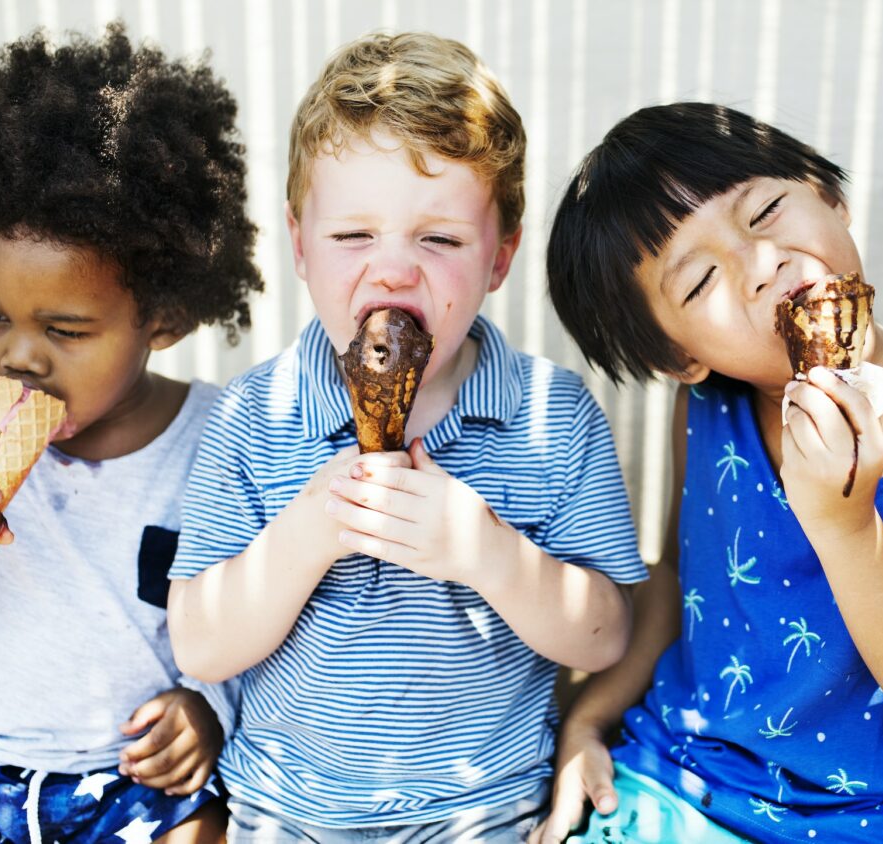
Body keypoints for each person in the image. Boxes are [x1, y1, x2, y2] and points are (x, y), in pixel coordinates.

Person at [166, 31, 646, 841]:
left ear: (501, 256)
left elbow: (604, 635)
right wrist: (312, 529)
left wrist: (489, 552)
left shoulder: (553, 417)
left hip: (485, 815)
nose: (392, 269)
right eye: (354, 236)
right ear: (299, 244)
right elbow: (200, 643)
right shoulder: (254, 415)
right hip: (287, 815)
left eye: (441, 239)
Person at [535, 102, 883, 843]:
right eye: (699, 284)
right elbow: (677, 586)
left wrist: (847, 527)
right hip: (680, 776)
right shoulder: (706, 406)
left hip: (875, 815)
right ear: (680, 357)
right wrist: (589, 723)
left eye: (764, 210)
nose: (762, 265)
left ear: (831, 198)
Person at [0, 22, 262, 843]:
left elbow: (262, 618)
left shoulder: (224, 440)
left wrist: (210, 709)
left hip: (132, 779)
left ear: (166, 317)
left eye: (66, 329)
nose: (19, 355)